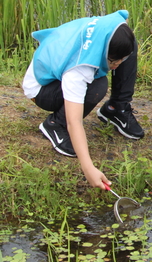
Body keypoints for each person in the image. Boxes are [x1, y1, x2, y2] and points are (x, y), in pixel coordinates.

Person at [22, 10, 143, 189]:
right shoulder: (79, 69)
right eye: (113, 61)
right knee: (97, 86)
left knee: (129, 45)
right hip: (42, 88)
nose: (117, 65)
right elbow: (75, 122)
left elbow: (122, 19)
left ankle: (116, 108)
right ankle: (55, 124)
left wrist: (120, 57)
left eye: (119, 61)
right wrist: (88, 168)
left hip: (61, 64)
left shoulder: (112, 26)